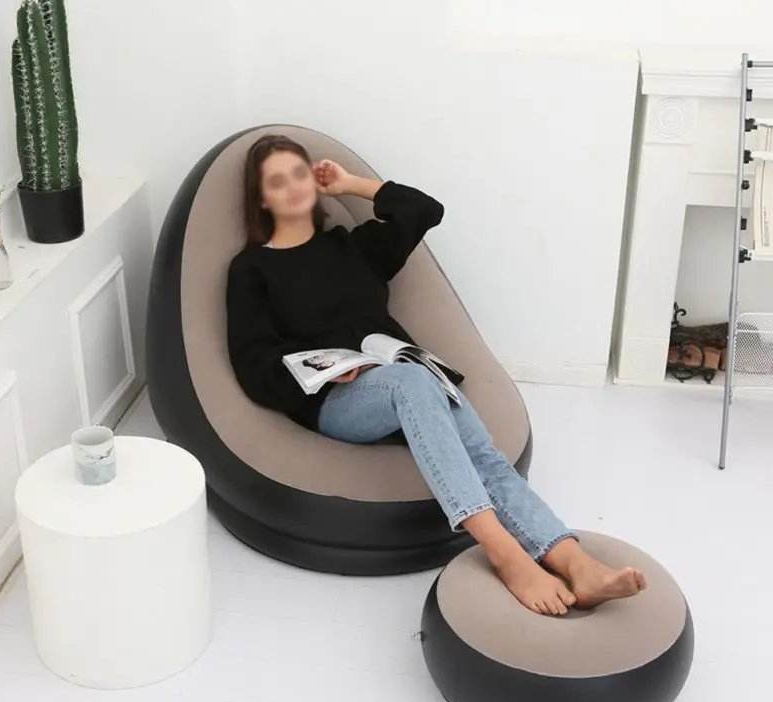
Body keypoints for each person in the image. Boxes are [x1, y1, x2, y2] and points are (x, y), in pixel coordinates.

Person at [226, 134, 647, 615]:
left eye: (300, 174)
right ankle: (505, 554)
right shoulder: (252, 268)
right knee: (412, 380)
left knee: (483, 453)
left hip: (406, 377)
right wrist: (322, 374)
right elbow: (251, 359)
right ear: (261, 198)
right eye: (277, 181)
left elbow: (423, 210)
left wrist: (351, 184)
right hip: (333, 400)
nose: (293, 187)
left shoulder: (352, 247)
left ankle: (576, 563)